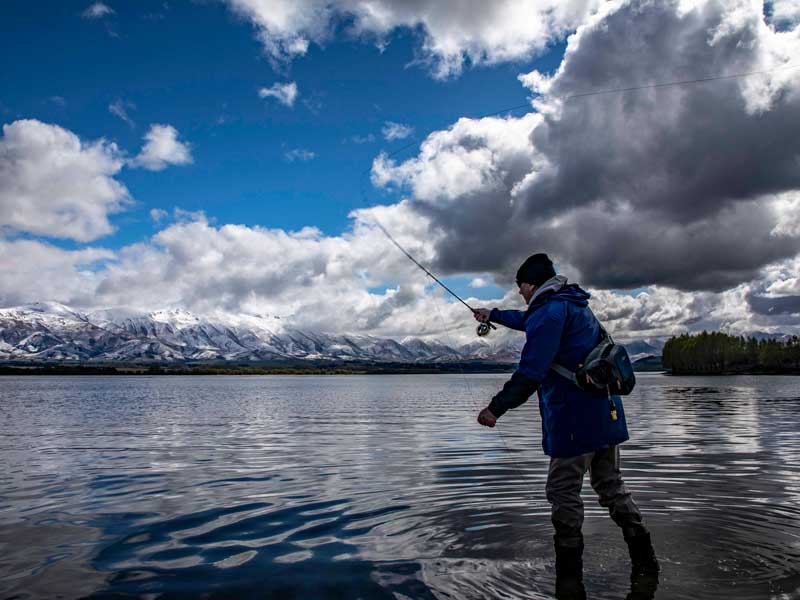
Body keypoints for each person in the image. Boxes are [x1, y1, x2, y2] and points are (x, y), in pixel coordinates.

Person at [473, 253, 659, 588]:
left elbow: (531, 371)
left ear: (531, 284)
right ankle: (645, 560)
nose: (520, 294)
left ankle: (569, 576)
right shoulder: (573, 304)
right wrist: (493, 314)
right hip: (606, 414)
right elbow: (530, 319)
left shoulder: (549, 311)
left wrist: (495, 409)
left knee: (563, 492)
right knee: (611, 488)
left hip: (574, 421)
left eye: (520, 287)